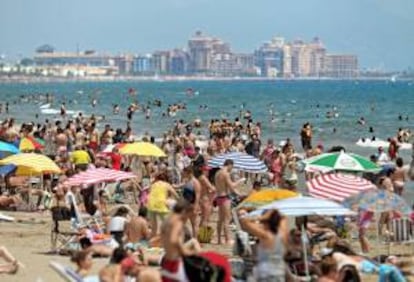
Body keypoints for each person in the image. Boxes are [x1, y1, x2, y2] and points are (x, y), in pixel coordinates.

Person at [239, 209, 288, 282]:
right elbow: (284, 218)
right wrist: (274, 212)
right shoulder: (283, 234)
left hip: (265, 273)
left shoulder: (266, 236)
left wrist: (262, 217)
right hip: (279, 272)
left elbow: (244, 221)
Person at [160, 199, 195, 282]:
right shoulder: (178, 223)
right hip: (175, 262)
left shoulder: (166, 221)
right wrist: (185, 252)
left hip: (165, 261)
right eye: (188, 214)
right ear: (183, 211)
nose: (188, 217)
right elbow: (173, 239)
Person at [214, 159, 244, 245]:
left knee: (220, 219)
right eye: (232, 167)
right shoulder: (225, 174)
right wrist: (240, 181)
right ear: (229, 165)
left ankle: (219, 239)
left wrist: (238, 193)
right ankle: (227, 239)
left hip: (219, 197)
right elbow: (232, 186)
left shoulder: (217, 173)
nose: (232, 169)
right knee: (227, 219)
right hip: (225, 198)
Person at [147, 172, 179, 237]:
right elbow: (175, 195)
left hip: (151, 204)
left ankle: (153, 240)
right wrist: (180, 201)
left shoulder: (153, 184)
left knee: (154, 226)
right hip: (161, 204)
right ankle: (168, 238)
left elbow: (149, 192)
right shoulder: (166, 184)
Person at [180, 166, 201, 237]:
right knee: (183, 222)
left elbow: (198, 195)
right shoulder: (188, 181)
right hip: (186, 205)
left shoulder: (195, 182)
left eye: (184, 173)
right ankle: (186, 238)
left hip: (192, 205)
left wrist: (196, 206)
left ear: (189, 173)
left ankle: (195, 240)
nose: (183, 174)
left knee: (194, 224)